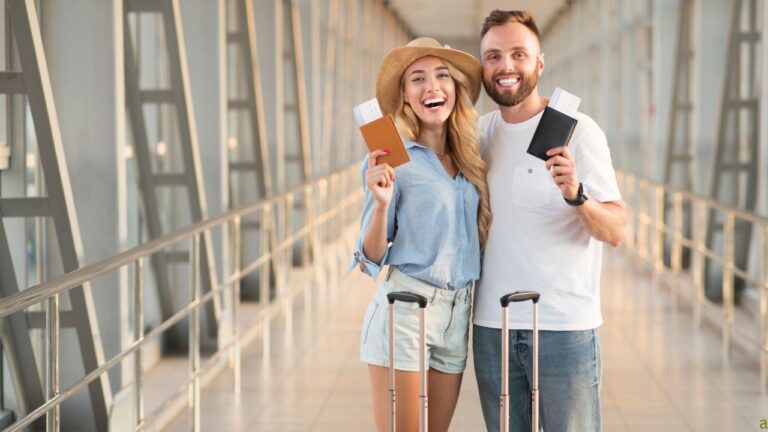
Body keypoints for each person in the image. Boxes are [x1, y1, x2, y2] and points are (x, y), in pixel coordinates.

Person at [472, 10, 627, 432]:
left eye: (518, 54)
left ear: (539, 64)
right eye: (493, 56)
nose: (506, 66)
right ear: (482, 66)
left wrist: (577, 196)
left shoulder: (579, 132)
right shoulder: (477, 137)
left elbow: (615, 230)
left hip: (563, 329)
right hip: (493, 327)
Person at [351, 37, 491, 432]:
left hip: (457, 311)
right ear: (406, 96)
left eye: (442, 75)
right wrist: (380, 203)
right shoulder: (391, 158)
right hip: (407, 308)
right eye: (418, 79)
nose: (432, 87)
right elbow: (371, 256)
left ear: (455, 89)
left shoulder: (470, 155)